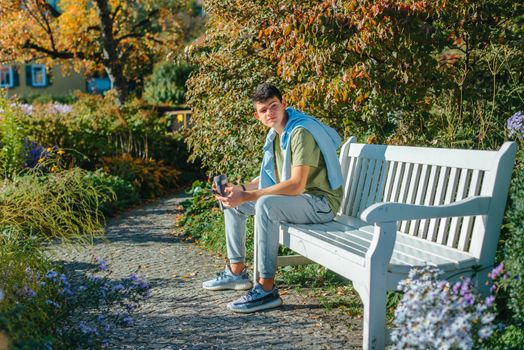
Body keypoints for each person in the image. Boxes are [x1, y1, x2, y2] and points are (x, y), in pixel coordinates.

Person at [202, 83, 344, 313]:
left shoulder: (299, 132)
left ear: (283, 104)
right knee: (231, 202)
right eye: (264, 110)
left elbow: (296, 185)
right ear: (256, 115)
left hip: (321, 204)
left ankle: (266, 289)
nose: (270, 113)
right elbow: (270, 180)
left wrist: (248, 195)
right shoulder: (277, 134)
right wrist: (237, 190)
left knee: (266, 204)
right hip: (298, 203)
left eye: (274, 106)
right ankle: (236, 272)